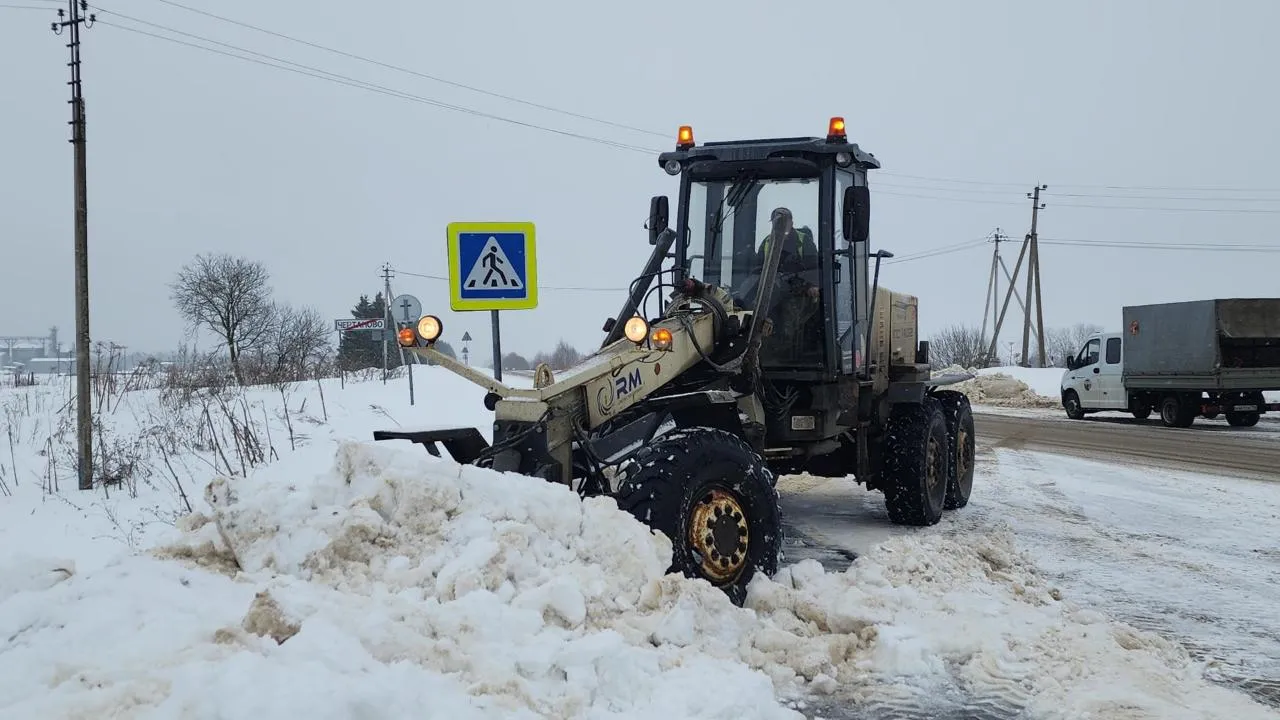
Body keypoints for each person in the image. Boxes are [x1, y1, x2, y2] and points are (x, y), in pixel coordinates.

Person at [754, 207, 822, 363]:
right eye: (776, 222)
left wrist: (812, 286)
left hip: (799, 293)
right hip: (772, 292)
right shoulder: (767, 242)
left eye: (784, 222)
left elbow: (813, 266)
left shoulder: (804, 241)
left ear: (792, 222)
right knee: (756, 317)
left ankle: (782, 357)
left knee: (787, 322)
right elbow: (757, 268)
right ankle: (758, 354)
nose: (780, 226)